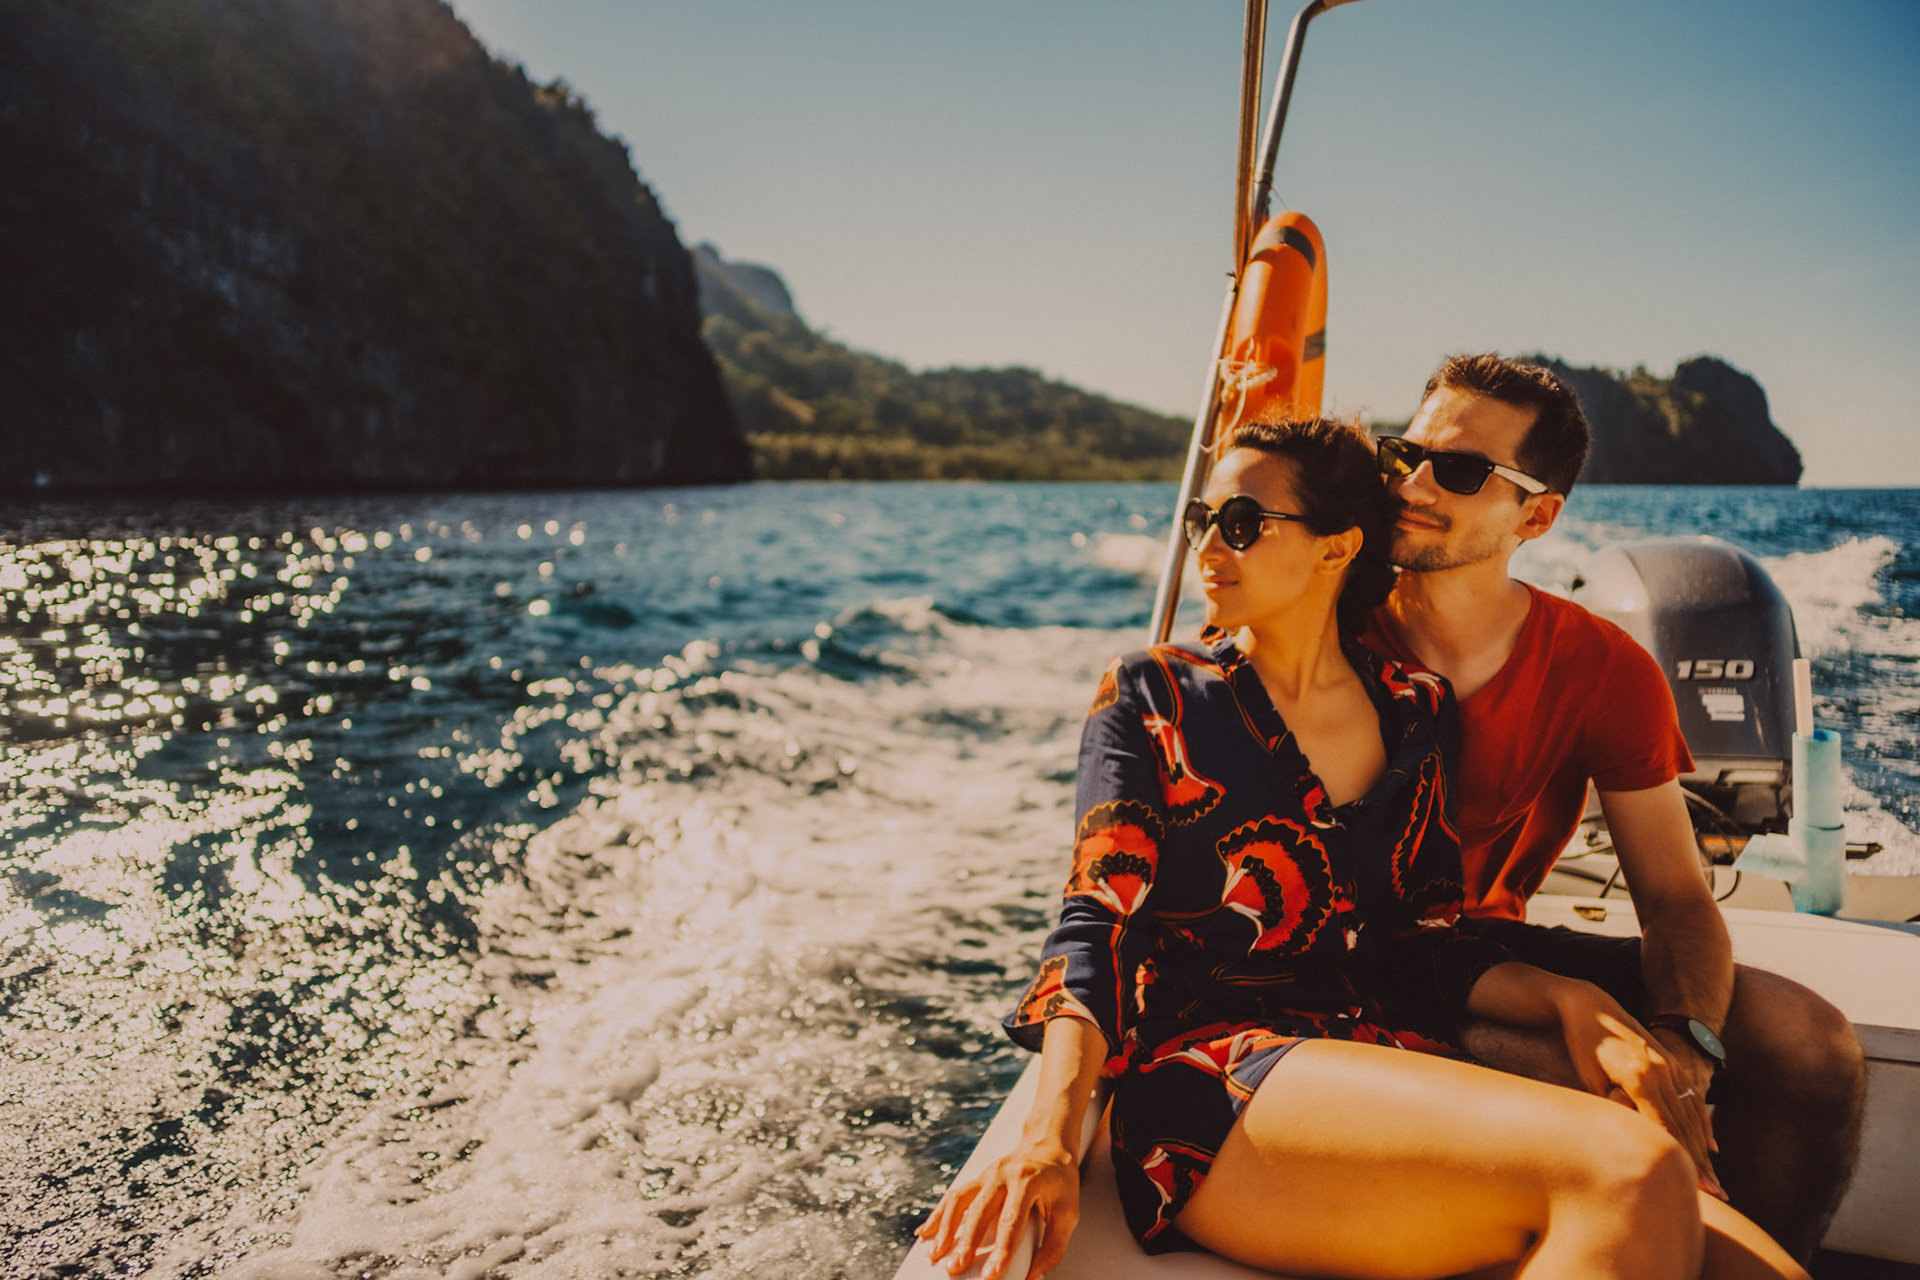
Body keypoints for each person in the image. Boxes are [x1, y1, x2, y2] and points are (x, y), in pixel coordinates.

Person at [918, 418, 1804, 1280]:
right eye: (1202, 522)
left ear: (1337, 548)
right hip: (1210, 1080)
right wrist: (1047, 1139)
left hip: (1384, 1052)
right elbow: (1094, 927)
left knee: (1754, 1265)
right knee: (1630, 1168)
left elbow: (1423, 944)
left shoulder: (1413, 707)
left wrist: (1570, 1000)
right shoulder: (1153, 694)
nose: (1208, 548)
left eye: (1241, 524)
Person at [1359, 352, 1867, 1263]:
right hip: (1343, 961)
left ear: (1539, 517)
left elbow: (1674, 897)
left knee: (1810, 1044)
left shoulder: (1601, 667)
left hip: (1483, 945)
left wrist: (1686, 1043)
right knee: (1606, 1084)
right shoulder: (1324, 629)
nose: (1417, 484)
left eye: (1464, 471)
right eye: (1408, 455)